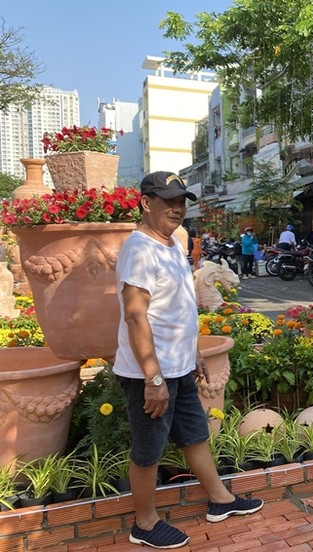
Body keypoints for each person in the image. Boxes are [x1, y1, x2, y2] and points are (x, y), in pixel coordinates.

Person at [114, 171, 263, 549]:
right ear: (146, 203)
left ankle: (221, 500)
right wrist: (153, 378)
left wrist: (192, 349)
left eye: (181, 201)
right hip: (151, 375)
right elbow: (136, 315)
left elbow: (178, 308)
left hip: (177, 367)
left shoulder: (170, 245)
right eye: (168, 201)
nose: (177, 208)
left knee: (195, 436)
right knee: (148, 452)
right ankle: (144, 525)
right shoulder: (139, 249)